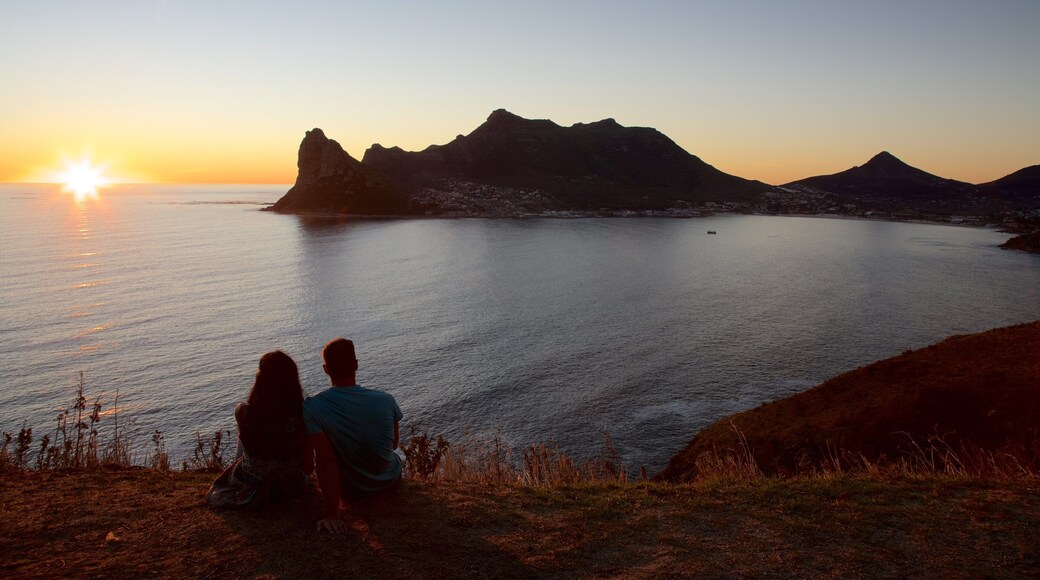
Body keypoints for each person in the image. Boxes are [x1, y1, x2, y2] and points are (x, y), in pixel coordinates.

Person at [303, 338, 403, 533]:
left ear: (325, 369)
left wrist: (332, 514)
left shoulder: (312, 407)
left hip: (351, 490)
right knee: (396, 456)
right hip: (390, 481)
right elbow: (393, 445)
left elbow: (324, 461)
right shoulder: (386, 399)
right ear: (356, 365)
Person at [207, 350, 310, 509]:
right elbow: (308, 466)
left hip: (250, 482)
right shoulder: (302, 414)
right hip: (289, 486)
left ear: (260, 379)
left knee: (246, 438)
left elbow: (244, 445)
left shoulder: (243, 412)